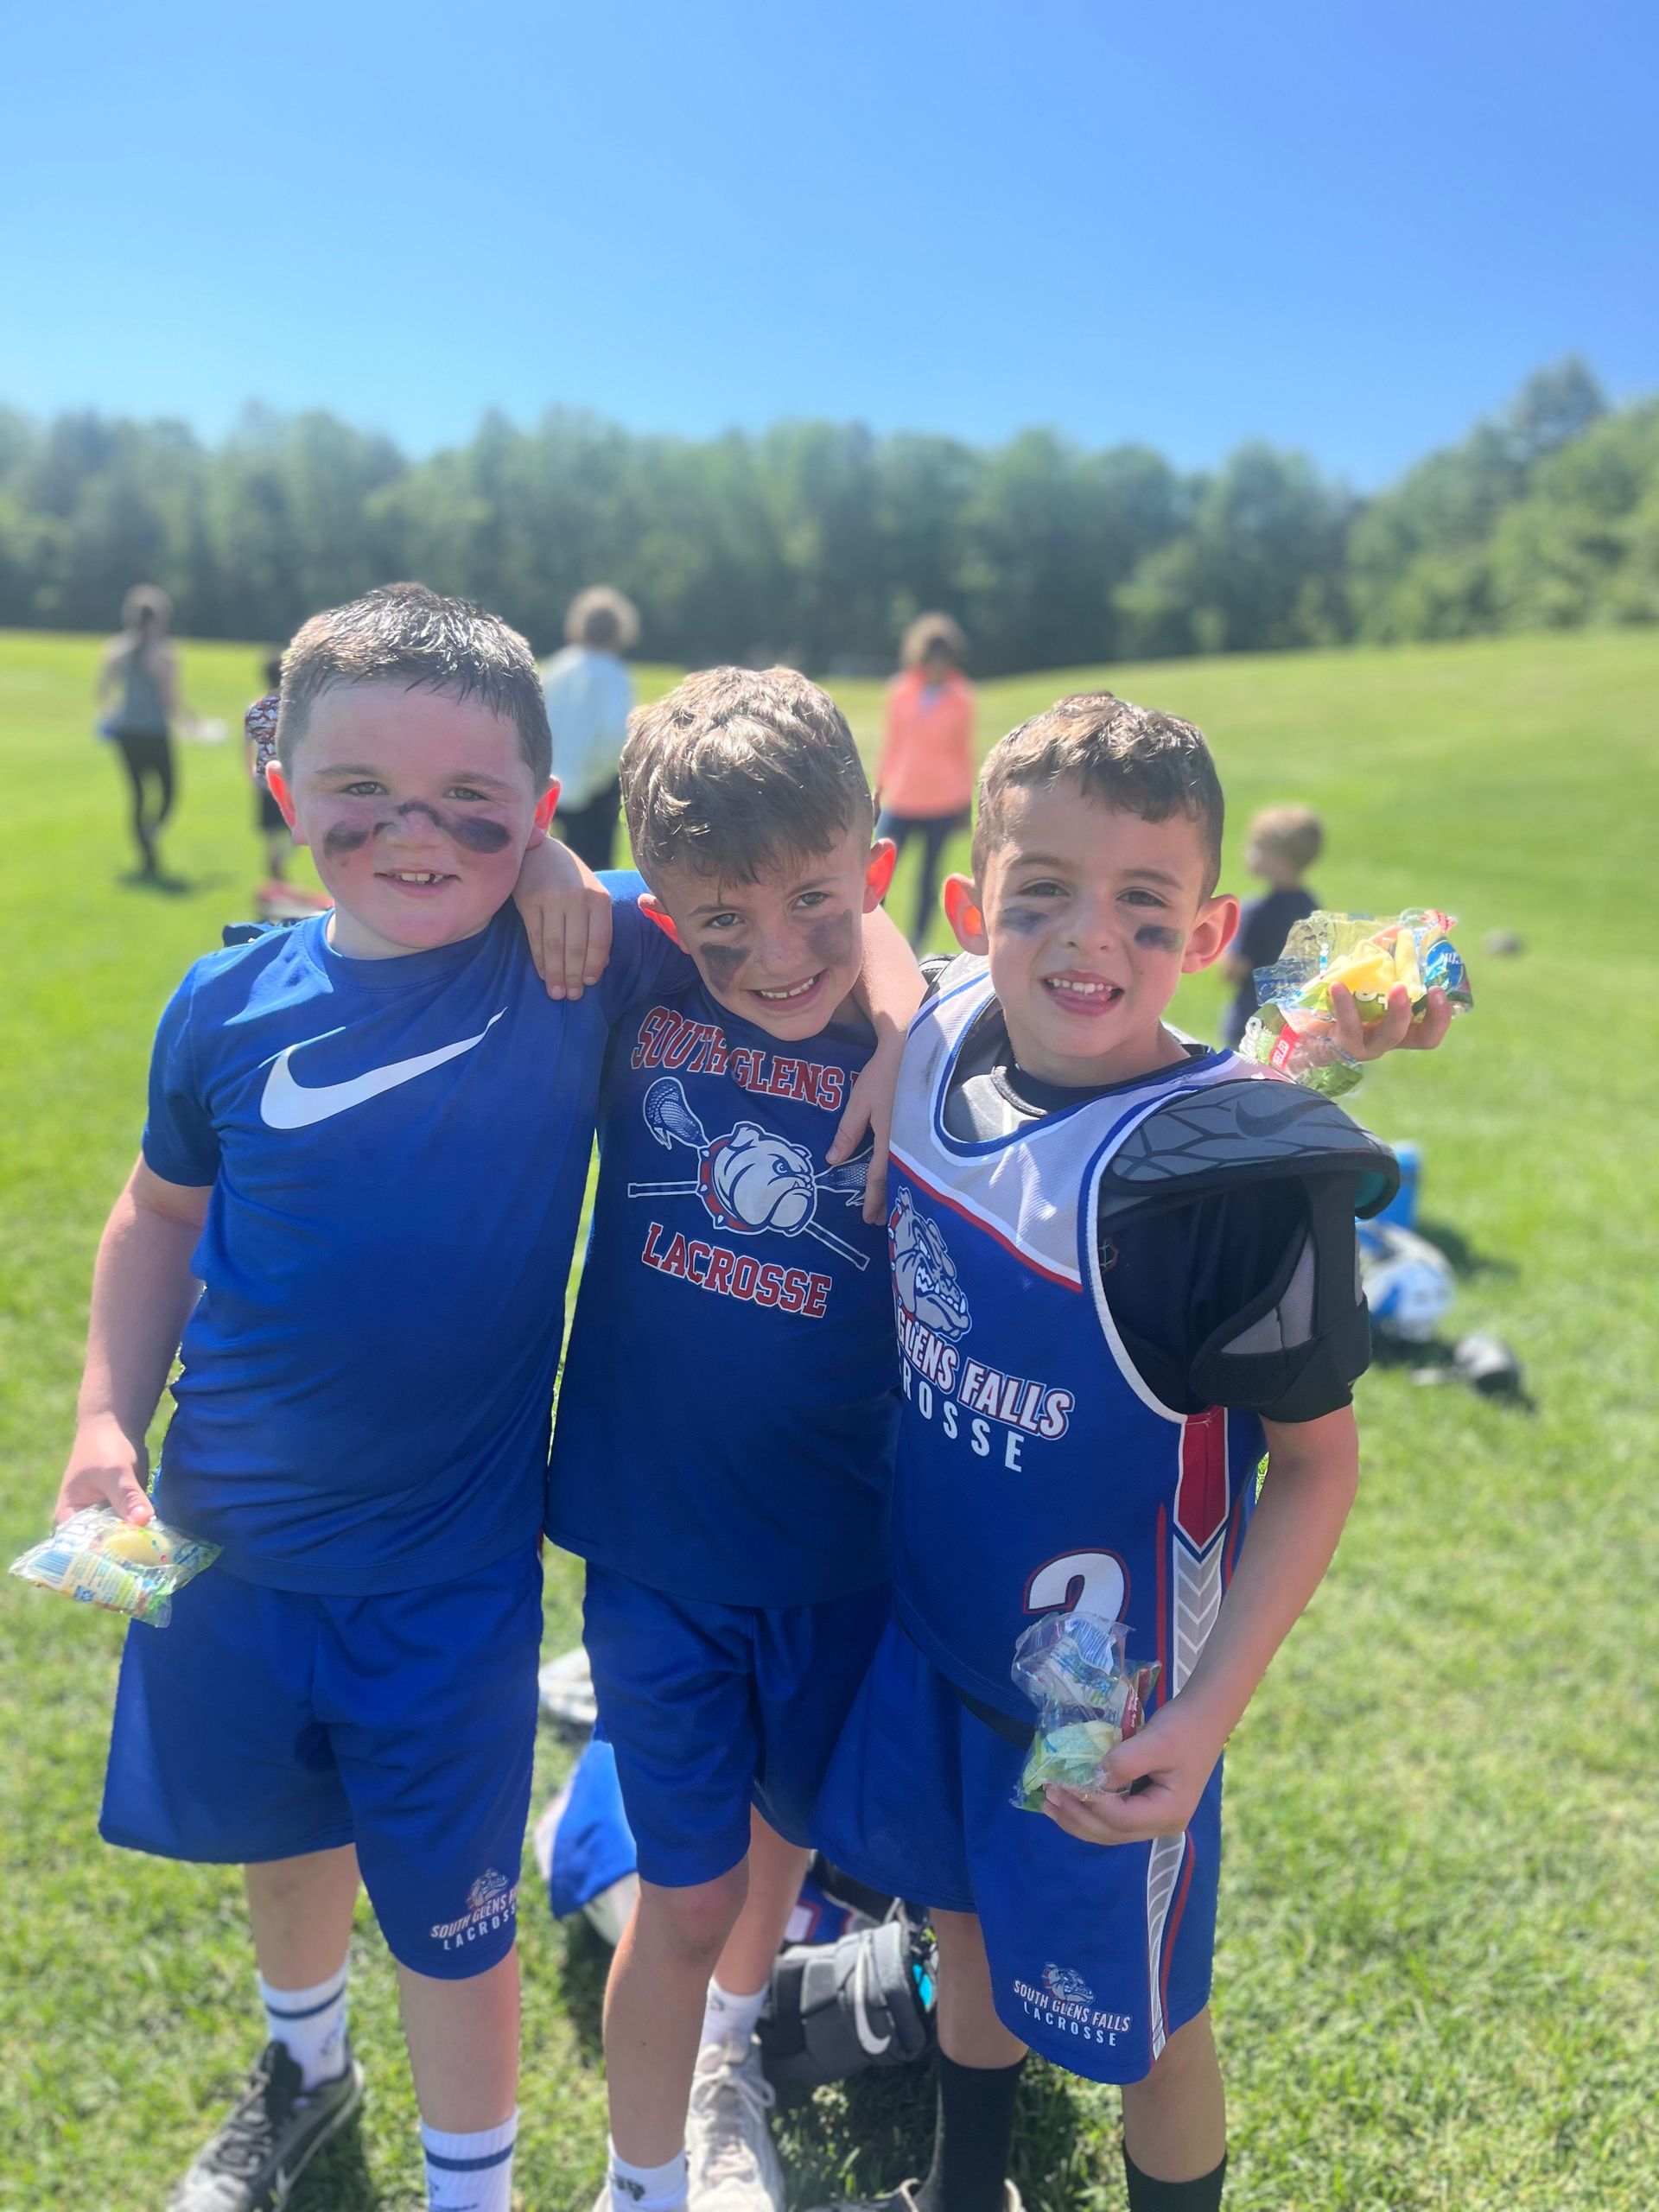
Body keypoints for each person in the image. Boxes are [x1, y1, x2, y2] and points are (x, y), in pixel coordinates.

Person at [54, 584, 707, 2212]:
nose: (415, 837)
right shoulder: (224, 1005)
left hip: (445, 1579)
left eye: (474, 810)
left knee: (454, 1913)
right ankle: (306, 2067)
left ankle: (468, 2190)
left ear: (542, 809)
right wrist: (97, 1424)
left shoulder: (576, 953)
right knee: (285, 1832)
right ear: (284, 784)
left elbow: (815, 910)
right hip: (226, 1547)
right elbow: (157, 1218)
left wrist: (564, 872)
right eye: (361, 797)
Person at [810, 695, 1454, 2212]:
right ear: (974, 907)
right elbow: (880, 946)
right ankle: (969, 2187)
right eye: (1041, 894)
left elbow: (1317, 1465)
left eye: (1144, 907)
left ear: (1212, 928)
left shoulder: (1229, 1176)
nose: (1085, 940)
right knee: (956, 1927)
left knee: (1150, 2029)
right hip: (935, 1629)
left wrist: (1212, 1712)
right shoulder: (942, 1024)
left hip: (1100, 1708)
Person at [534, 667, 922, 2212]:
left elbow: (1124, 1063)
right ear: (669, 906)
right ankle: (643, 2183)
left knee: (783, 1849)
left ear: (872, 869)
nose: (776, 954)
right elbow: (529, 873)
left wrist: (902, 1005)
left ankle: (727, 2059)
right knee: (683, 1901)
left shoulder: (940, 1029)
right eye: (723, 924)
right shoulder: (639, 966)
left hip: (842, 1552)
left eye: (820, 904)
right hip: (658, 1550)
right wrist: (563, 862)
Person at [874, 614, 976, 949]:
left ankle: (915, 946)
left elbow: (963, 752)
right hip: (902, 796)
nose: (937, 666)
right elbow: (892, 744)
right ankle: (873, 938)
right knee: (877, 870)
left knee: (928, 880)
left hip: (942, 801)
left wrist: (964, 802)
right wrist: (879, 787)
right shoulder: (900, 691)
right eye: (932, 658)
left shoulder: (961, 696)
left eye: (943, 659)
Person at [541, 585, 640, 870]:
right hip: (592, 790)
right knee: (594, 871)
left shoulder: (557, 666)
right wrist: (597, 781)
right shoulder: (613, 674)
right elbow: (614, 734)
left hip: (547, 781)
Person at [98, 583, 190, 880]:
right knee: (168, 792)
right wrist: (195, 723)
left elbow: (101, 692)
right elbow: (169, 700)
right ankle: (151, 835)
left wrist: (114, 713)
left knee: (138, 794)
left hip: (126, 731)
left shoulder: (116, 650)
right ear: (159, 619)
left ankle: (146, 853)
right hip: (154, 731)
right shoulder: (164, 654)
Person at [1218, 804, 1323, 1047]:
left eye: (1257, 846)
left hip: (1251, 1022)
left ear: (1279, 860)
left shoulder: (1256, 912)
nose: (1247, 852)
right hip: (1294, 1022)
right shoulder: (1310, 906)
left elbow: (1233, 970)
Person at [248, 652, 289, 882]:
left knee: (272, 830)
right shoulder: (291, 709)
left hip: (263, 776)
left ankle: (273, 867)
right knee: (295, 825)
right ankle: (279, 862)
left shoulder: (256, 707)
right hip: (285, 775)